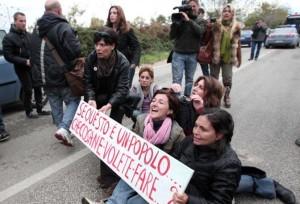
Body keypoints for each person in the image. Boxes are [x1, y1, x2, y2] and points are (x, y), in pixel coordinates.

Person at [81, 88, 186, 204]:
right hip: (137, 171)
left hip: (157, 182)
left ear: (170, 110)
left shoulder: (177, 133)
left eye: (161, 102)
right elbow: (130, 146)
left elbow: (179, 166)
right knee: (125, 185)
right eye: (154, 100)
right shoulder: (141, 120)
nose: (154, 104)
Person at [85, 27, 130, 190]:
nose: (98, 48)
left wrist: (110, 104)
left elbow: (123, 89)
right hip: (97, 100)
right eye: (97, 44)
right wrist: (90, 99)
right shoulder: (91, 58)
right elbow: (88, 82)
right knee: (99, 135)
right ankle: (108, 171)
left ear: (113, 46)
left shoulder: (123, 62)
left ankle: (109, 177)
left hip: (115, 102)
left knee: (109, 136)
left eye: (103, 45)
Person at [34, 0, 81, 146]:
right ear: (58, 10)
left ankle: (63, 131)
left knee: (55, 106)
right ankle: (64, 129)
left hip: (44, 77)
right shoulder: (62, 26)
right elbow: (75, 50)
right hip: (62, 75)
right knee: (74, 101)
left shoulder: (36, 29)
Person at [172, 108, 241, 203]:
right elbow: (173, 161)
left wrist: (188, 200)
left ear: (219, 135)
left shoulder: (229, 165)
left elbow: (219, 202)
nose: (195, 132)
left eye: (203, 129)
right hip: (177, 192)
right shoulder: (188, 141)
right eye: (195, 126)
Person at [2, 12, 50, 119]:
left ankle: (40, 109)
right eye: (21, 21)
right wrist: (24, 61)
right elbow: (8, 56)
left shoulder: (28, 35)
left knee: (38, 86)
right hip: (21, 67)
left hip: (33, 65)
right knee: (28, 89)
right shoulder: (8, 38)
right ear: (15, 22)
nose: (24, 23)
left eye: (25, 21)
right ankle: (29, 111)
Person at [170, 0, 205, 97]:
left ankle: (187, 99)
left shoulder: (200, 20)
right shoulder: (180, 19)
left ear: (198, 7)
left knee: (189, 79)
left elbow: (200, 32)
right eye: (189, 6)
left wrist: (189, 21)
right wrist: (176, 24)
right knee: (177, 79)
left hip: (192, 54)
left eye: (194, 6)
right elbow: (172, 36)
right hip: (178, 54)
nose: (192, 8)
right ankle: (176, 101)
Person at [210, 4, 242, 108]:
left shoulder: (236, 27)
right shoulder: (216, 25)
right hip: (216, 55)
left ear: (232, 14)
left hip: (228, 57)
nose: (226, 13)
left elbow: (238, 45)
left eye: (229, 11)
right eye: (224, 11)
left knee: (227, 79)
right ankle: (214, 97)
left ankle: (227, 96)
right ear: (221, 13)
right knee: (214, 78)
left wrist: (239, 58)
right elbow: (208, 40)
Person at [106, 5, 141, 88]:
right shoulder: (106, 30)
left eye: (115, 13)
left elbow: (136, 47)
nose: (112, 15)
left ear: (120, 15)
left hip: (125, 65)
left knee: (124, 90)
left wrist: (134, 63)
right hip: (109, 66)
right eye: (110, 13)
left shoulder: (127, 30)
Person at [198, 7, 210, 76]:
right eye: (198, 13)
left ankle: (208, 82)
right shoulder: (194, 21)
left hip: (202, 48)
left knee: (205, 69)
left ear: (202, 14)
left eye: (200, 13)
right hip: (195, 47)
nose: (199, 15)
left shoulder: (206, 23)